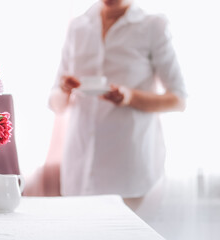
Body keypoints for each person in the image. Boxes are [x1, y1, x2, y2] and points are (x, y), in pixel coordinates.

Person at [48, 0, 186, 199]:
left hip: (128, 168)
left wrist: (130, 97)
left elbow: (179, 99)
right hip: (78, 168)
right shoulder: (78, 26)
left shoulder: (152, 26)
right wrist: (65, 89)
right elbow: (56, 104)